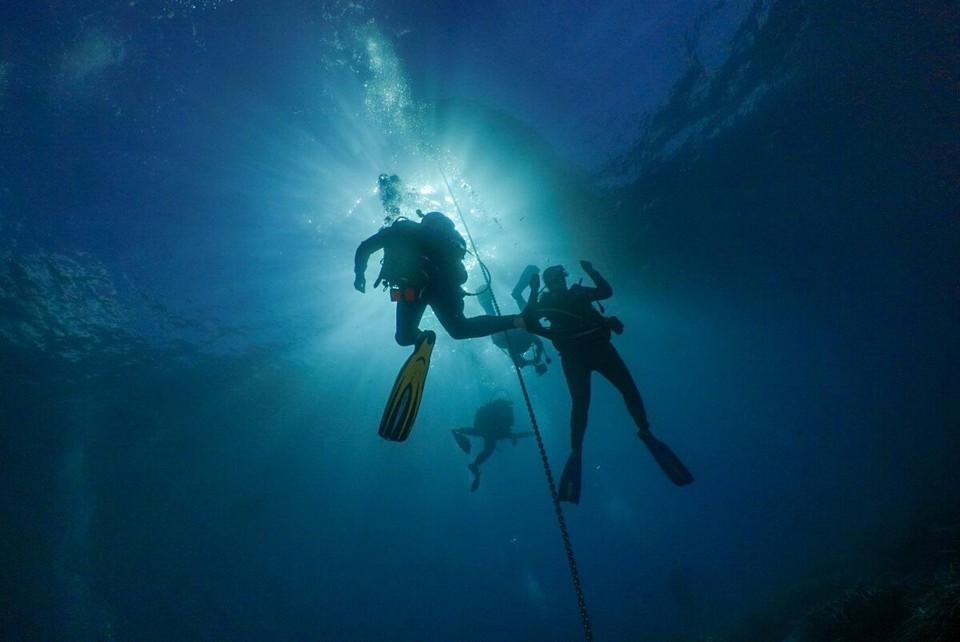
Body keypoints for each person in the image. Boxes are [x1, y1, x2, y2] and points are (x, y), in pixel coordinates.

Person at [526, 260, 693, 503]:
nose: (558, 283)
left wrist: (592, 272)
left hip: (598, 349)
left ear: (562, 278)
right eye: (552, 281)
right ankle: (576, 448)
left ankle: (644, 430)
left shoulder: (576, 292)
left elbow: (606, 293)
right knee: (581, 403)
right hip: (577, 356)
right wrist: (532, 290)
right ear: (548, 285)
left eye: (559, 278)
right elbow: (530, 321)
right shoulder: (547, 302)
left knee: (627, 389)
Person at [354, 210, 529, 347]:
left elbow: (364, 248)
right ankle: (517, 320)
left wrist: (359, 274)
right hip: (442, 287)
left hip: (413, 291)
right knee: (460, 329)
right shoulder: (435, 237)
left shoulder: (396, 232)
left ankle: (421, 337)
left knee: (404, 337)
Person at [477, 264, 551, 374]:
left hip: (504, 336)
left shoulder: (526, 339)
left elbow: (535, 346)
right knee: (523, 318)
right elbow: (538, 344)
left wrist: (534, 360)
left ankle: (486, 301)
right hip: (509, 333)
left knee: (495, 320)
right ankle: (487, 301)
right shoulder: (528, 337)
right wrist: (536, 359)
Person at [451, 396, 533, 491]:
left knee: (485, 445)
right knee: (488, 450)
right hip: (495, 432)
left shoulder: (494, 413)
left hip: (487, 429)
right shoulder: (504, 419)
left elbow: (477, 430)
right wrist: (531, 433)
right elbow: (517, 435)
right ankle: (475, 464)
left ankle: (458, 432)